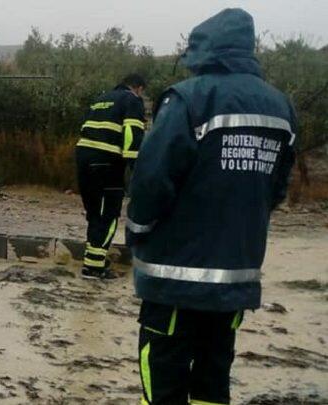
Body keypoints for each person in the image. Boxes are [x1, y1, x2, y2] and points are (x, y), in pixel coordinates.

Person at [126, 9, 296, 405]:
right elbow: (277, 187)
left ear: (203, 50)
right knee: (213, 375)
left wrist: (137, 229)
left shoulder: (189, 98)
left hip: (175, 277)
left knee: (162, 374)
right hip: (236, 274)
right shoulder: (281, 107)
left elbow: (152, 178)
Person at [75, 73, 148, 280]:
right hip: (107, 163)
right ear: (138, 88)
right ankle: (94, 268)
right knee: (108, 214)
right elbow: (132, 134)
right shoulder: (132, 100)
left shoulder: (101, 100)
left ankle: (93, 260)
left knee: (94, 212)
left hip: (83, 159)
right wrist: (136, 168)